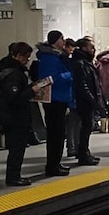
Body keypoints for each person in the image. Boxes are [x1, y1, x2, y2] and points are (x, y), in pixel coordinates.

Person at [0, 42, 45, 186]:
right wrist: (32, 90)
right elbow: (14, 97)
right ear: (18, 56)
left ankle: (14, 175)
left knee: (17, 147)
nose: (27, 60)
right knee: (17, 148)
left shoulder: (11, 70)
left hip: (11, 115)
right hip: (14, 116)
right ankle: (13, 177)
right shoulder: (14, 73)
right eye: (26, 57)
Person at [35, 30, 74, 177]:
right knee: (55, 134)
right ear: (55, 41)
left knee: (58, 134)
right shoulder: (49, 58)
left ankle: (56, 163)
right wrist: (70, 75)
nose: (64, 41)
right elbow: (52, 78)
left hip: (60, 97)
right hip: (54, 99)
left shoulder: (57, 56)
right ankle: (52, 166)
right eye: (61, 38)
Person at [69, 38, 102, 166]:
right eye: (91, 47)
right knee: (85, 127)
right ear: (84, 48)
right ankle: (83, 154)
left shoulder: (85, 62)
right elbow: (82, 85)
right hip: (84, 102)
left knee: (87, 127)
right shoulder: (80, 63)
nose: (93, 50)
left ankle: (85, 152)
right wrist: (93, 100)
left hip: (87, 100)